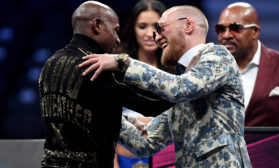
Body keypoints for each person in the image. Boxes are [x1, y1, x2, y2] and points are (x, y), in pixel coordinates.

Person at [79, 5, 252, 168]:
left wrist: (122, 62)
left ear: (188, 25)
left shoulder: (219, 56)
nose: (157, 38)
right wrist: (103, 110)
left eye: (161, 29)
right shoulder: (183, 80)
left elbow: (181, 89)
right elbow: (145, 143)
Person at [38, 1, 172, 167]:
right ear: (97, 25)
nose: (117, 39)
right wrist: (124, 62)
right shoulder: (97, 66)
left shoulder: (50, 63)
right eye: (115, 30)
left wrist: (129, 119)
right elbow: (157, 103)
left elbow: (88, 113)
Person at [215, 2, 279, 160]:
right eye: (220, 29)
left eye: (235, 27)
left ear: (255, 31)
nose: (226, 35)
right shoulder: (207, 72)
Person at [113, 0, 173, 167]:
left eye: (156, 27)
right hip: (124, 159)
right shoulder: (116, 66)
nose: (149, 33)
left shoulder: (179, 70)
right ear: (133, 29)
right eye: (142, 26)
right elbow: (104, 121)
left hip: (169, 159)